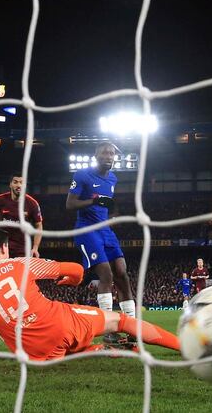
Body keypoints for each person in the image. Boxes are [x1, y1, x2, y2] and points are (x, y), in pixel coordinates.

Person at [0, 228, 179, 360]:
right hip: (62, 323)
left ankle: (95, 349)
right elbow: (75, 269)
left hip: (33, 354)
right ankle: (183, 347)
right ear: (5, 248)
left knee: (58, 342)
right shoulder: (21, 263)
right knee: (120, 321)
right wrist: (68, 280)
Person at [66, 142, 135, 344]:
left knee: (122, 273)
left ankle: (132, 327)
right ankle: (108, 331)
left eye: (112, 153)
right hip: (86, 231)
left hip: (105, 230)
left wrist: (109, 212)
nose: (109, 156)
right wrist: (93, 201)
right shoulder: (82, 175)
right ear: (96, 156)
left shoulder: (113, 178)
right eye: (105, 153)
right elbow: (70, 204)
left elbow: (106, 205)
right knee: (106, 274)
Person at [0, 174, 43, 258]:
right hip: (1, 247)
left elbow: (39, 225)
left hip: (22, 250)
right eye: (15, 182)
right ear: (10, 184)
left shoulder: (32, 203)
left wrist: (35, 248)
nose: (19, 185)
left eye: (22, 182)